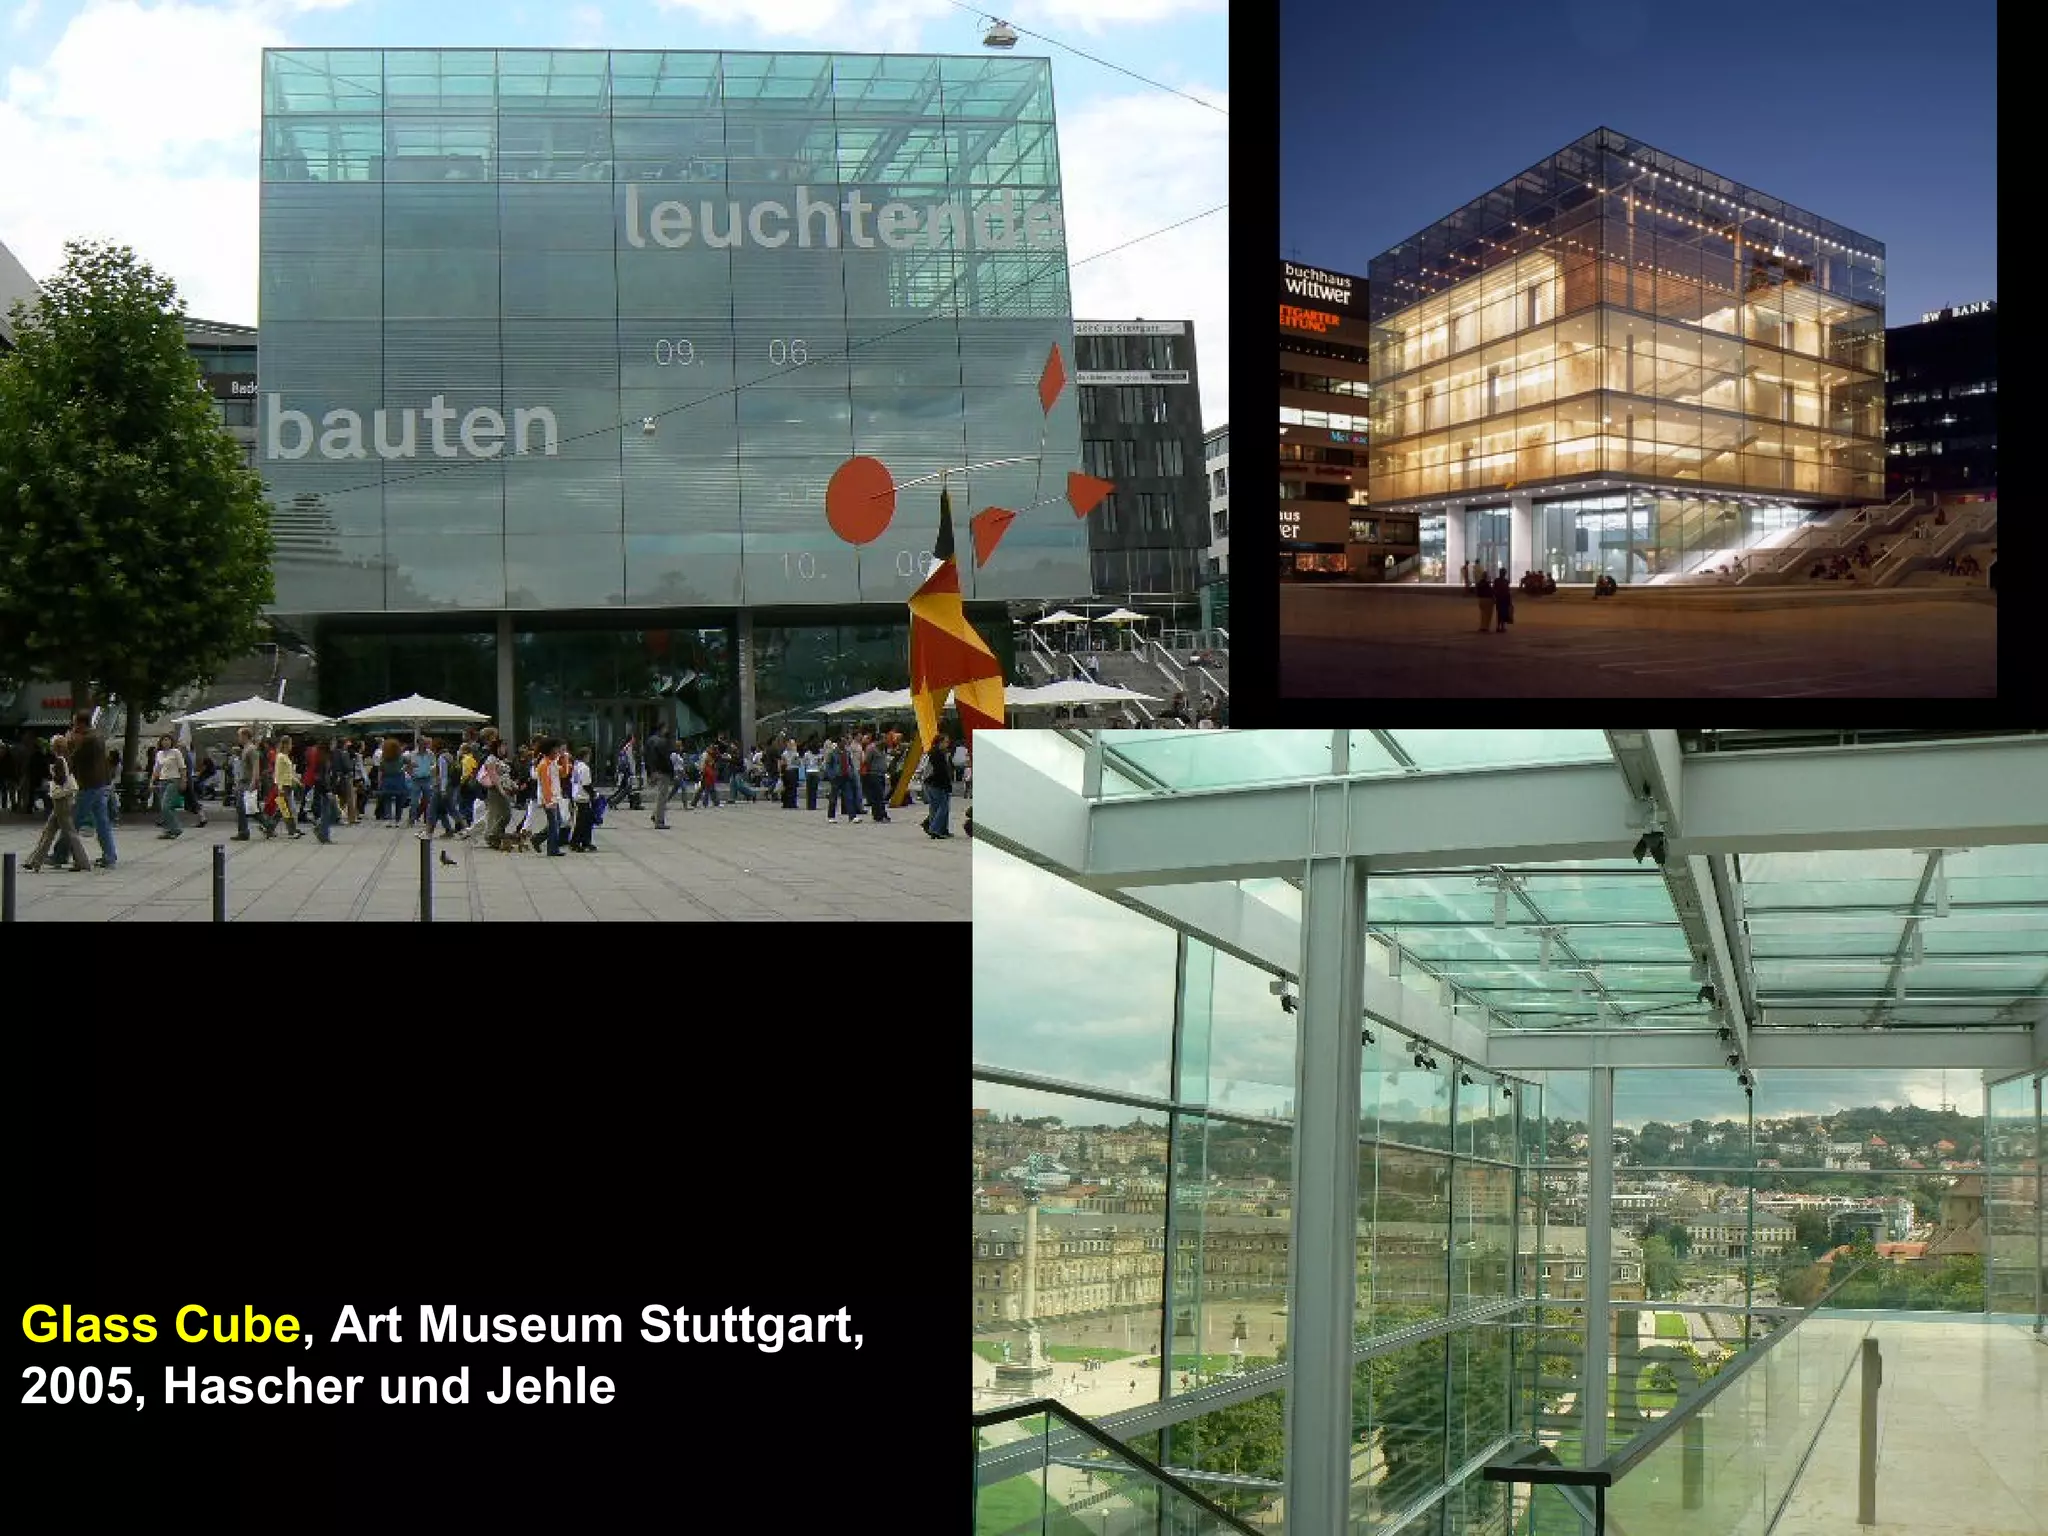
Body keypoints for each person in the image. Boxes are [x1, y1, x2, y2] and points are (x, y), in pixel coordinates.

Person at [25, 735, 94, 874]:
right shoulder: (67, 758)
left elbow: (60, 780)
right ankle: (34, 861)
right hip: (64, 800)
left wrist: (51, 776)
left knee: (67, 832)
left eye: (52, 745)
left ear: (55, 747)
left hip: (61, 800)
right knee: (50, 831)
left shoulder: (59, 761)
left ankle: (82, 862)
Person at [63, 711, 117, 869]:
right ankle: (109, 855)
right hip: (101, 783)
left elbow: (73, 758)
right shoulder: (97, 736)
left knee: (73, 820)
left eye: (74, 723)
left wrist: (69, 742)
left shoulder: (87, 740)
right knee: (102, 821)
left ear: (81, 723)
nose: (73, 727)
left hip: (89, 784)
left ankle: (60, 853)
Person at [150, 732, 187, 839]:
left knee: (165, 806)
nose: (166, 742)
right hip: (162, 781)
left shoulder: (176, 752)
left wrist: (184, 781)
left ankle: (176, 828)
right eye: (164, 740)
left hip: (173, 780)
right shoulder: (159, 754)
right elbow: (156, 769)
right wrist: (152, 781)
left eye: (168, 740)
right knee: (167, 807)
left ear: (171, 742)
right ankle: (169, 830)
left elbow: (182, 768)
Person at [269, 735, 306, 838]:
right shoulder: (280, 757)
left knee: (281, 809)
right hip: (283, 786)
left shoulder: (285, 756)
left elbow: (289, 773)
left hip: (288, 785)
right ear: (285, 744)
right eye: (290, 743)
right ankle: (292, 831)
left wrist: (298, 782)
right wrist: (280, 787)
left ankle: (268, 827)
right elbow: (278, 773)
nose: (291, 746)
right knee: (287, 809)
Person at [923, 731, 955, 838]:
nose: (948, 744)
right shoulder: (937, 754)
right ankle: (936, 829)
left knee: (935, 808)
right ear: (940, 742)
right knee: (943, 807)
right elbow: (941, 772)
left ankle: (940, 829)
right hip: (937, 784)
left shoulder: (933, 752)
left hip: (931, 783)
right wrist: (947, 785)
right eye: (946, 742)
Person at [568, 744, 596, 851]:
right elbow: (586, 784)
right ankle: (575, 842)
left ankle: (585, 841)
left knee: (586, 820)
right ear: (585, 756)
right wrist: (593, 794)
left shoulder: (576, 766)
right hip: (583, 797)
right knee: (581, 822)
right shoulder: (584, 768)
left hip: (577, 795)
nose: (590, 758)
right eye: (589, 756)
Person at [645, 725, 674, 829]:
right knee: (662, 797)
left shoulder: (650, 741)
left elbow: (647, 756)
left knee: (659, 795)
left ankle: (655, 815)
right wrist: (671, 772)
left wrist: (650, 771)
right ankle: (659, 821)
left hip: (655, 771)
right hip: (662, 771)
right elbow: (666, 759)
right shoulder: (662, 742)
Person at [861, 730, 891, 822]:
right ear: (878, 740)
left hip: (882, 774)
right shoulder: (871, 748)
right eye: (884, 739)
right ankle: (882, 814)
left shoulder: (882, 749)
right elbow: (866, 761)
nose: (886, 741)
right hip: (874, 775)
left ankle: (877, 815)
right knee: (878, 796)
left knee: (878, 796)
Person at [1492, 567, 1512, 632]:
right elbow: (1508, 591)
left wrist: (1494, 597)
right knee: (1502, 613)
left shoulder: (1497, 581)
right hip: (1503, 599)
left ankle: (1499, 626)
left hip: (1501, 599)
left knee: (1500, 613)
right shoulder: (1505, 581)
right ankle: (1501, 626)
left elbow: (1494, 590)